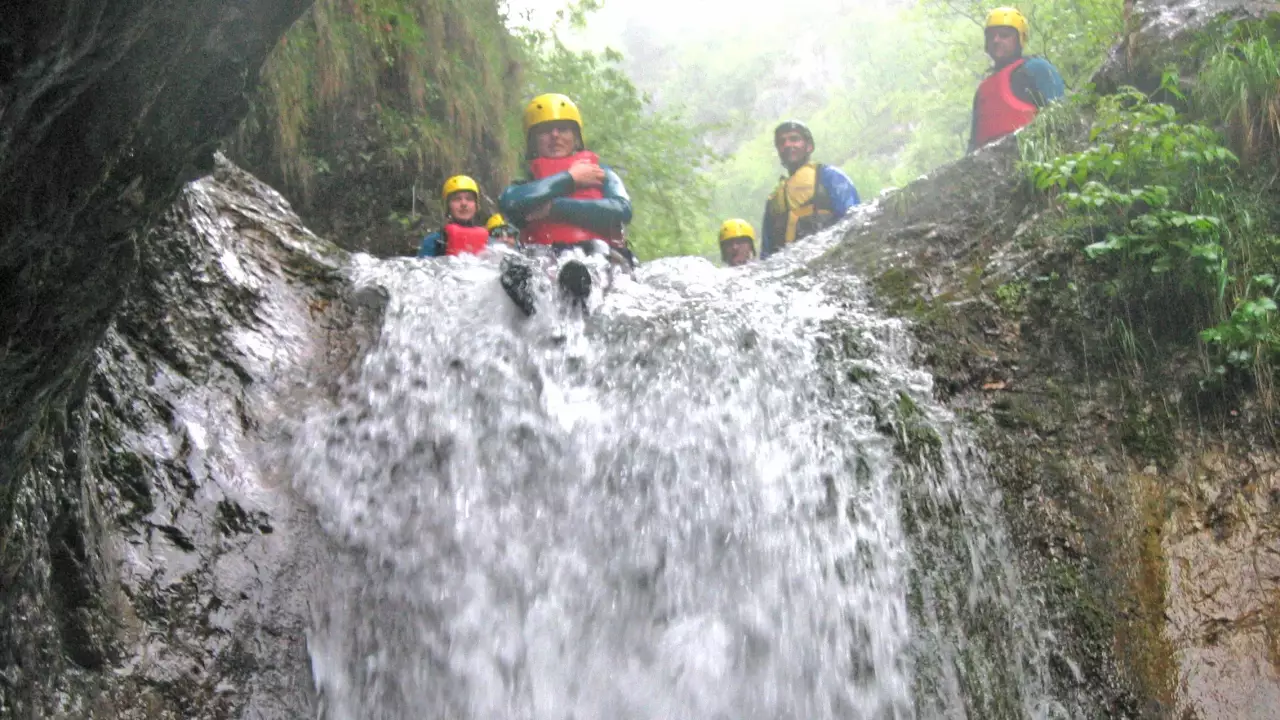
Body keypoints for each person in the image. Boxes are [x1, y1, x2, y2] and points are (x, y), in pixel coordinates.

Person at [498, 93, 634, 313]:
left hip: (595, 255)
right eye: (545, 130)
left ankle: (576, 298)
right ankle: (536, 315)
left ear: (576, 136)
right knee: (512, 269)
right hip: (544, 256)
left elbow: (623, 210)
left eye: (563, 128)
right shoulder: (527, 183)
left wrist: (556, 208)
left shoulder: (600, 174)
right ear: (533, 140)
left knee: (576, 272)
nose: (555, 135)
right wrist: (570, 179)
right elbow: (509, 202)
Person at [967, 7, 1066, 153]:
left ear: (1020, 38)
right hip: (986, 169)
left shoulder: (1037, 68)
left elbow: (1062, 117)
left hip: (1032, 157)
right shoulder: (982, 90)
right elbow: (973, 143)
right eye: (991, 36)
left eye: (1004, 35)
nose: (996, 40)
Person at [760, 120, 860, 259]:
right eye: (782, 142)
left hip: (826, 262)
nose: (788, 145)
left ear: (809, 146)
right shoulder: (774, 200)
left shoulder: (830, 177)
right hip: (786, 273)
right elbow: (766, 254)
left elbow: (854, 222)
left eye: (794, 139)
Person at [417, 175, 490, 257]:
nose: (463, 203)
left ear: (476, 206)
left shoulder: (489, 243)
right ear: (448, 207)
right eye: (457, 199)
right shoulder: (434, 242)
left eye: (469, 199)